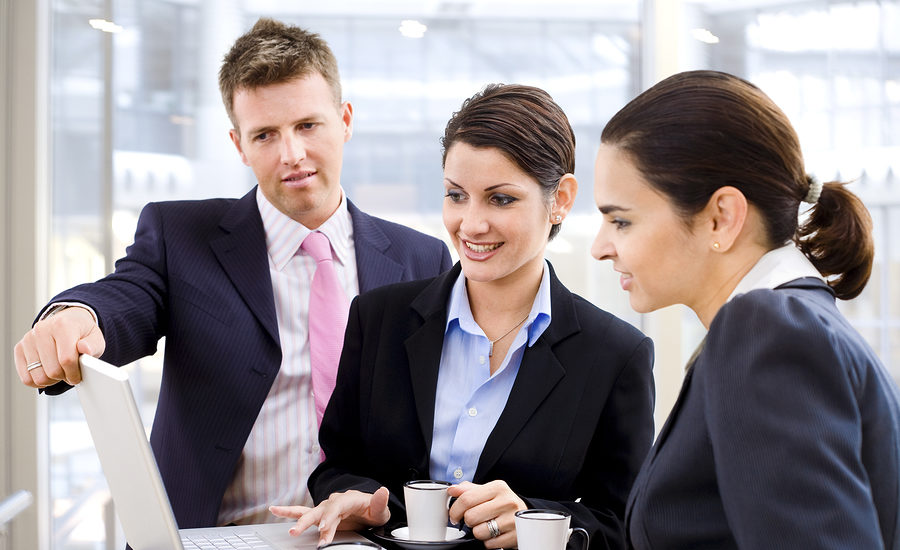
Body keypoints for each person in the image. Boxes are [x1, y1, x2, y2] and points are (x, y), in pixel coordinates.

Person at [13, 18, 451, 529]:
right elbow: (126, 295)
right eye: (265, 134)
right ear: (238, 144)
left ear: (345, 119)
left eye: (308, 125)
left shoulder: (421, 260)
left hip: (366, 536)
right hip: (218, 535)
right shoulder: (181, 237)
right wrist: (76, 316)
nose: (292, 154)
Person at [269, 83, 656, 549]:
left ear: (561, 200)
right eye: (456, 195)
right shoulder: (379, 318)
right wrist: (361, 499)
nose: (471, 224)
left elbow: (624, 524)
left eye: (501, 199)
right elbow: (336, 465)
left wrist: (536, 521)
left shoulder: (613, 355)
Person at [591, 69, 900, 549]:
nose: (599, 247)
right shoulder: (794, 322)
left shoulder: (767, 331)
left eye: (621, 220)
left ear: (722, 217)